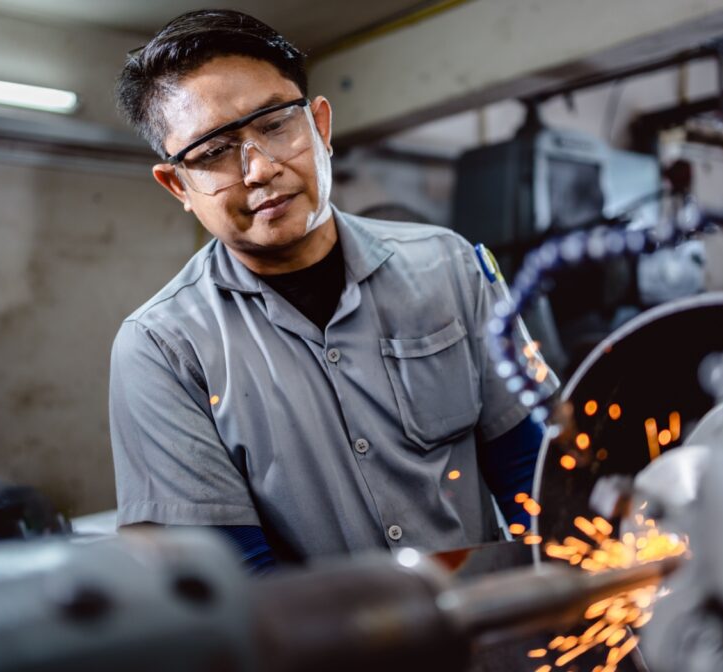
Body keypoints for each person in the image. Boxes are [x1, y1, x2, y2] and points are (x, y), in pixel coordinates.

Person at [109, 9, 557, 573]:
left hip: (494, 638)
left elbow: (531, 470)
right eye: (213, 152)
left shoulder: (449, 267)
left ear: (319, 126)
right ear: (178, 183)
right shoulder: (163, 348)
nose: (259, 169)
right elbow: (233, 573)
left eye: (274, 125)